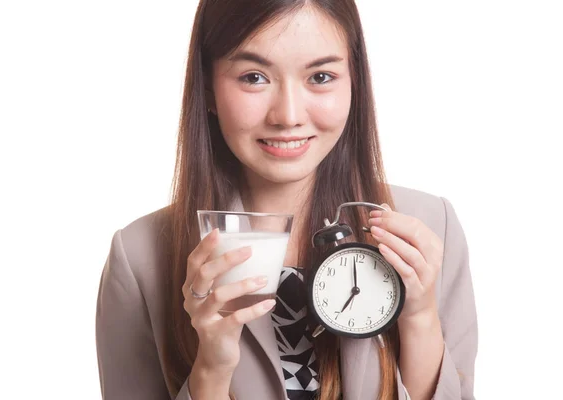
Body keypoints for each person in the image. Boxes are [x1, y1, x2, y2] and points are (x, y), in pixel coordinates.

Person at [95, 0, 478, 399]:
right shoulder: (140, 258)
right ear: (208, 87)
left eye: (321, 76)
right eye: (255, 77)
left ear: (355, 82)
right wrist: (212, 366)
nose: (288, 115)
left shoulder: (428, 227)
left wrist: (417, 315)